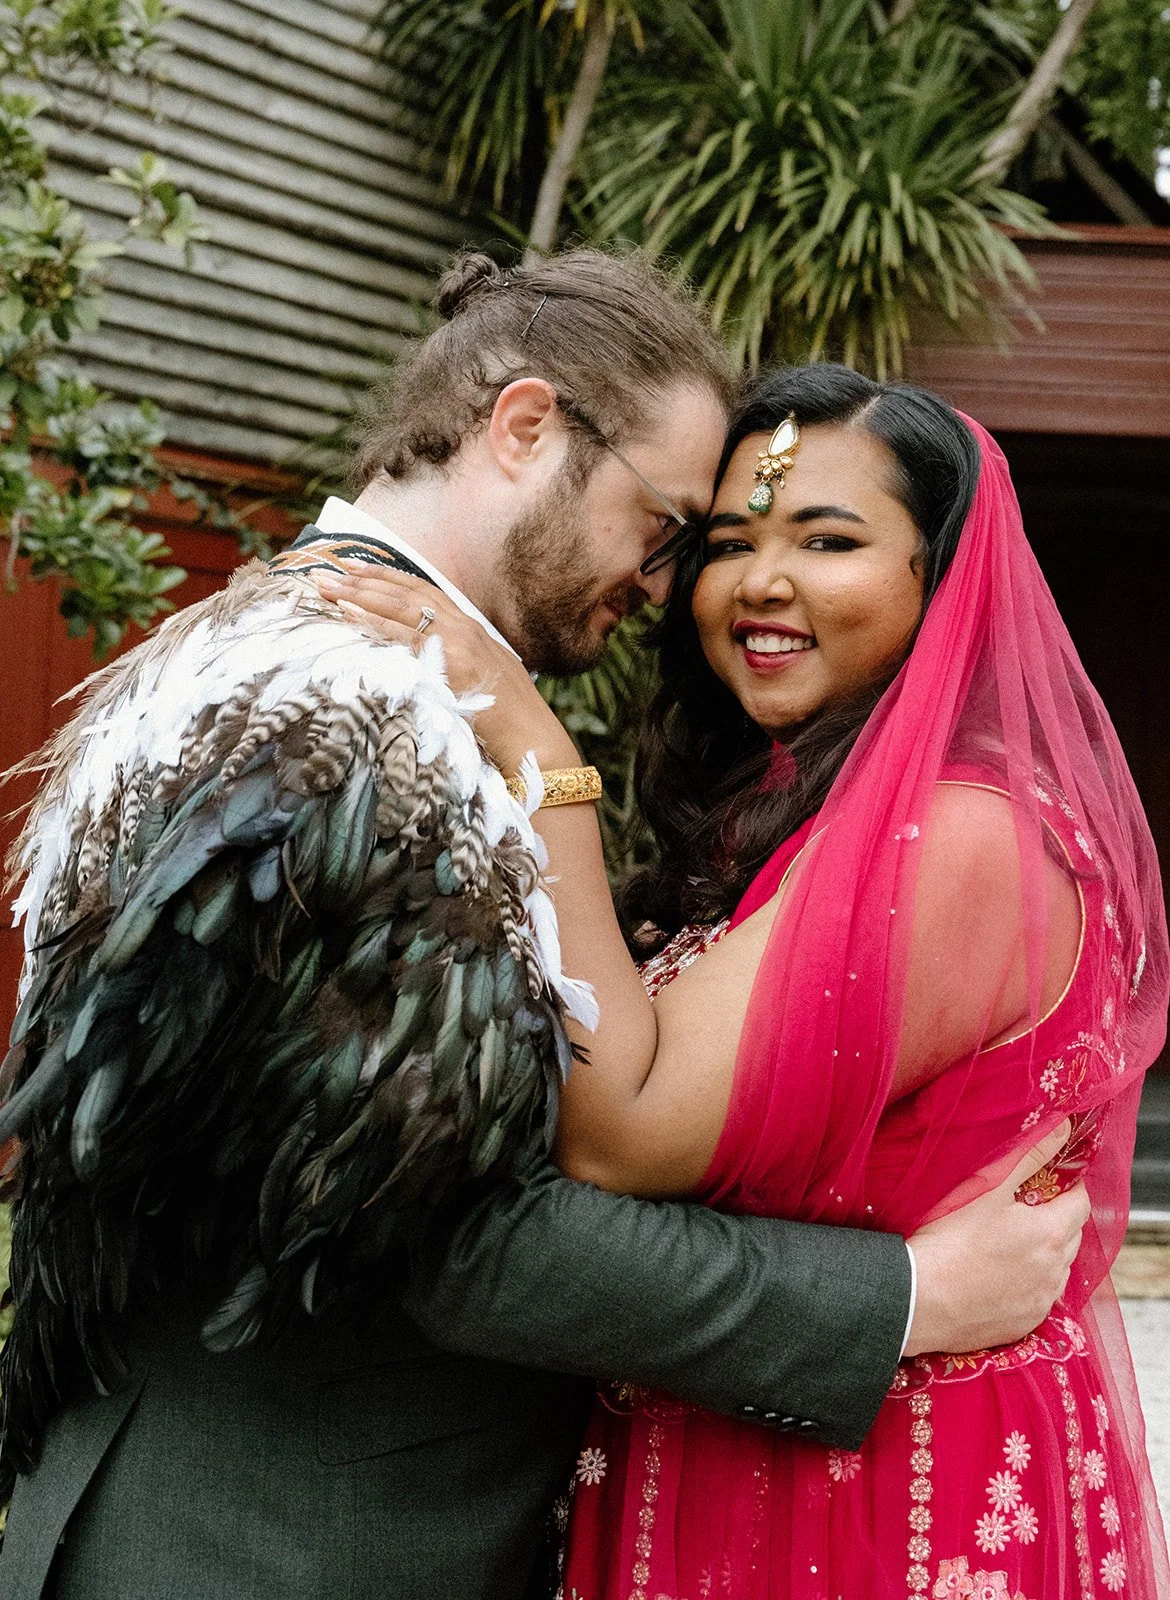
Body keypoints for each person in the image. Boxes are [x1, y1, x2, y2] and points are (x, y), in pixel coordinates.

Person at [0, 259, 1086, 1600]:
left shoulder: (294, 658)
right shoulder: (350, 715)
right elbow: (438, 1238)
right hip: (275, 1544)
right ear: (524, 429)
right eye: (671, 522)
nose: (666, 574)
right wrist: (906, 1298)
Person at [333, 362, 1170, 1599]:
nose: (761, 582)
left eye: (827, 540)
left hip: (883, 1493)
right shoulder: (801, 812)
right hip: (762, 1435)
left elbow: (627, 1136)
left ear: (939, 577)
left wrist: (539, 755)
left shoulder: (969, 836)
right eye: (729, 543)